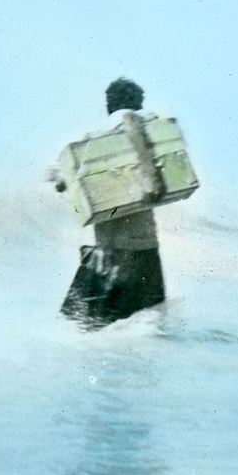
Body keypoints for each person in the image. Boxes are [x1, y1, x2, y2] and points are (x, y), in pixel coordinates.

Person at [56, 78, 167, 328]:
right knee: (147, 323)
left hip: (107, 248)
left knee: (89, 325)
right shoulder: (150, 125)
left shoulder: (92, 135)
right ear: (138, 104)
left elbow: (60, 173)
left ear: (109, 104)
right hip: (144, 247)